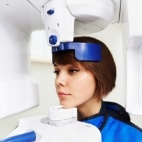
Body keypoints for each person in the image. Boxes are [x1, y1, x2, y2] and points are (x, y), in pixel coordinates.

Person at [52, 36, 142, 142]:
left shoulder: (133, 138)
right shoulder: (52, 129)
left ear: (100, 75)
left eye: (73, 71)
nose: (59, 81)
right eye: (57, 72)